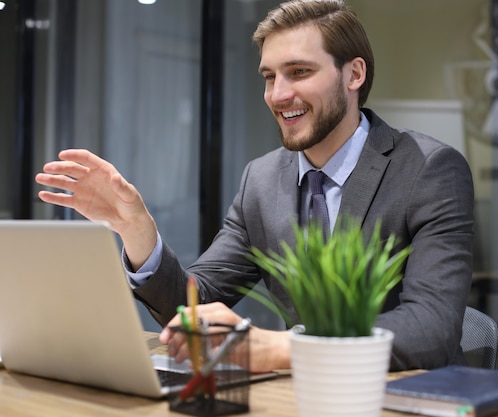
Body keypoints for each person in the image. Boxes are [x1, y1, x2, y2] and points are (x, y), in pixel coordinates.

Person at [35, 0, 474, 373]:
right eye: (269, 76)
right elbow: (193, 303)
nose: (278, 95)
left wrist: (280, 348)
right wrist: (137, 232)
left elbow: (430, 329)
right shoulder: (261, 180)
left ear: (353, 74)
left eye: (299, 71)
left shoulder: (427, 170)